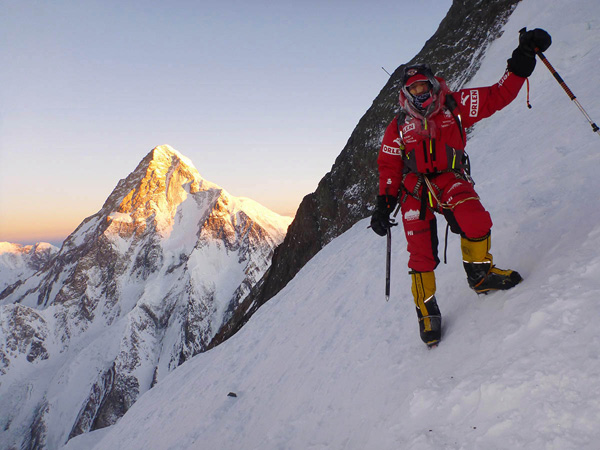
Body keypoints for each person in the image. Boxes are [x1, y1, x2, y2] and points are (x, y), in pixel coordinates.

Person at [370, 28, 552, 347]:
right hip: (414, 190)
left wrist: (523, 58)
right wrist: (384, 203)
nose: (421, 93)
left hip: (451, 179)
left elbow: (498, 94)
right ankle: (426, 311)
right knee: (420, 254)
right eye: (414, 88)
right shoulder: (397, 127)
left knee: (475, 218)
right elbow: (388, 166)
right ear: (406, 93)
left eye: (424, 85)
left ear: (433, 83)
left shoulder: (455, 105)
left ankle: (480, 276)